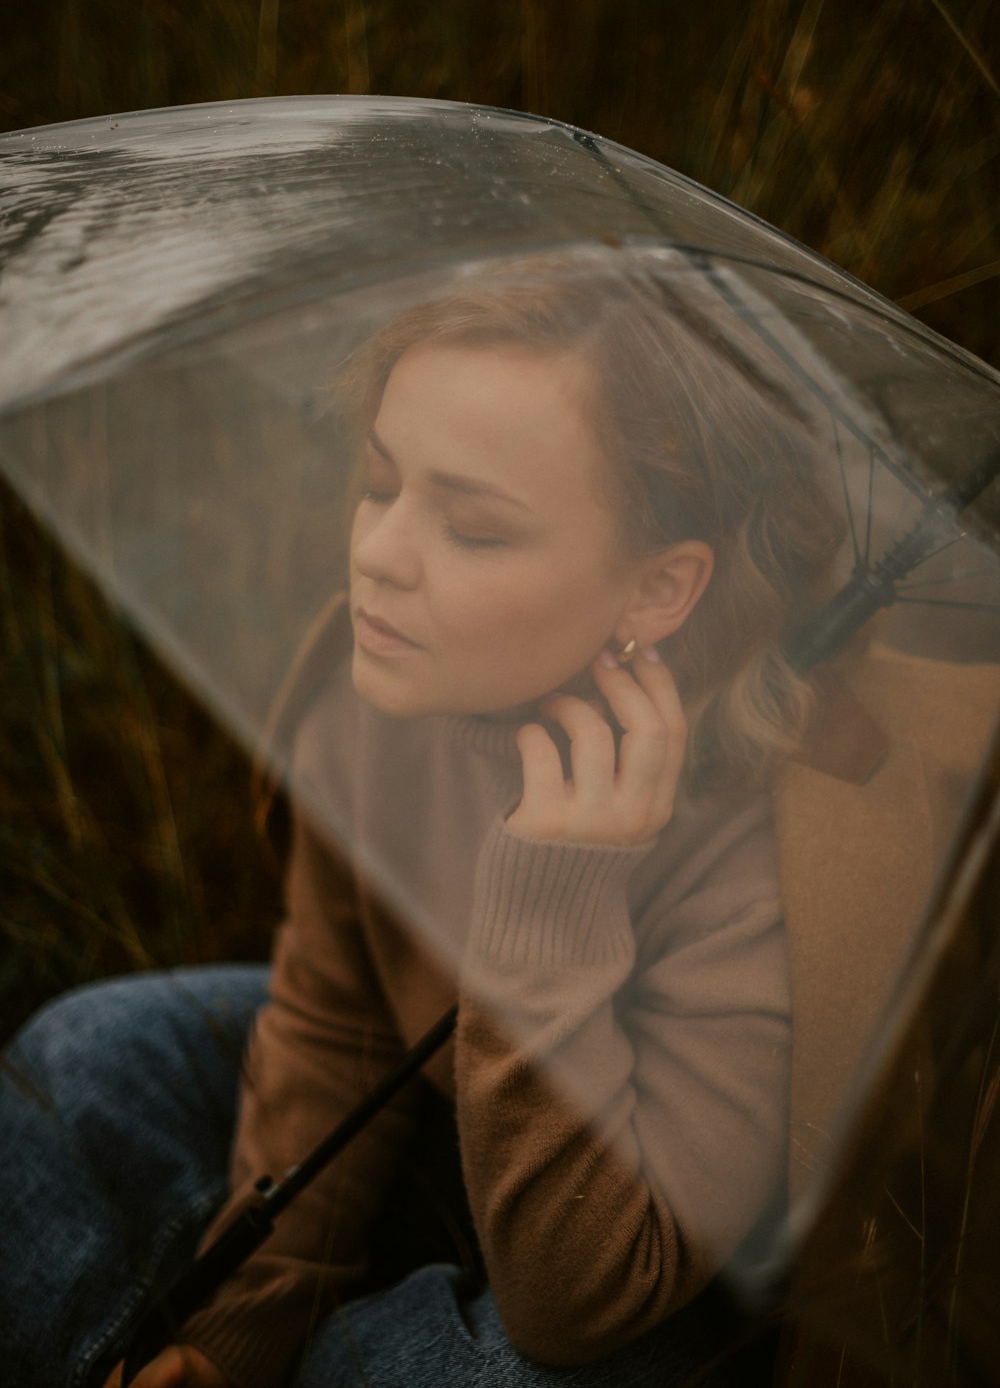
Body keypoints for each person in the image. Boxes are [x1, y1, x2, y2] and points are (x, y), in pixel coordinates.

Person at [0, 258, 839, 1387]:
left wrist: (554, 898)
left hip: (640, 1265)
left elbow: (577, 1298)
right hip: (449, 1124)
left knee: (480, 1375)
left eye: (475, 530)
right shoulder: (374, 692)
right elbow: (336, 1028)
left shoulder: (761, 841)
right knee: (85, 1050)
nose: (379, 556)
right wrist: (235, 1334)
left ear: (657, 590)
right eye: (381, 482)